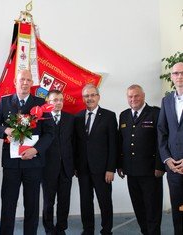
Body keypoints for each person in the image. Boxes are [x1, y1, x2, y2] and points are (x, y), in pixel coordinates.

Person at [0, 69, 54, 235]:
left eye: (28, 80)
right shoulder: (4, 103)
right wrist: (5, 130)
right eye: (21, 80)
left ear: (32, 83)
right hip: (11, 163)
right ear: (15, 82)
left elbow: (49, 133)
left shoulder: (41, 103)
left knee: (32, 204)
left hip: (33, 162)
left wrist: (36, 150)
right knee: (8, 203)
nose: (25, 83)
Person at [117, 84, 164, 235]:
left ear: (143, 96)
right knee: (138, 206)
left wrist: (160, 166)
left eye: (136, 96)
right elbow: (121, 141)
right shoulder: (124, 115)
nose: (133, 99)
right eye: (130, 96)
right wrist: (119, 164)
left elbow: (160, 142)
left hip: (151, 171)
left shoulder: (155, 113)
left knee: (152, 207)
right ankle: (145, 232)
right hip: (131, 170)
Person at [74, 83, 117, 235]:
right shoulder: (77, 117)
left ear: (98, 97)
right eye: (86, 96)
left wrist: (111, 168)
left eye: (92, 95)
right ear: (83, 98)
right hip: (83, 170)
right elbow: (75, 145)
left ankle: (106, 230)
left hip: (103, 170)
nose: (90, 98)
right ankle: (88, 230)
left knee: (105, 202)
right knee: (85, 202)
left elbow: (113, 144)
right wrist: (75, 167)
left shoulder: (109, 116)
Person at [42, 90, 74, 235]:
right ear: (48, 102)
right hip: (47, 168)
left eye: (60, 100)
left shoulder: (71, 119)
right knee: (48, 202)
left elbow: (74, 143)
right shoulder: (41, 119)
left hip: (66, 168)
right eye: (55, 100)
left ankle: (61, 229)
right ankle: (49, 229)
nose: (58, 103)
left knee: (64, 201)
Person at [158, 62, 183, 235]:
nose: (179, 76)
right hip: (174, 166)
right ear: (171, 77)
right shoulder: (166, 100)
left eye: (182, 73)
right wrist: (167, 159)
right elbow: (162, 131)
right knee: (178, 207)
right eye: (176, 73)